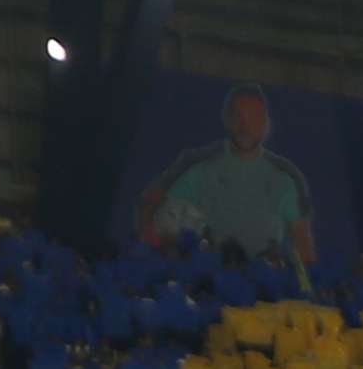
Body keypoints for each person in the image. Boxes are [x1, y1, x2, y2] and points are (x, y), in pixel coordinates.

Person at [133, 83, 316, 271]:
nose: (245, 126)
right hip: (205, 281)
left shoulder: (286, 177)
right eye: (238, 117)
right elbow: (151, 202)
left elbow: (303, 245)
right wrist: (153, 246)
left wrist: (304, 284)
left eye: (253, 118)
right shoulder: (197, 165)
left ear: (266, 125)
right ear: (227, 119)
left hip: (265, 284)